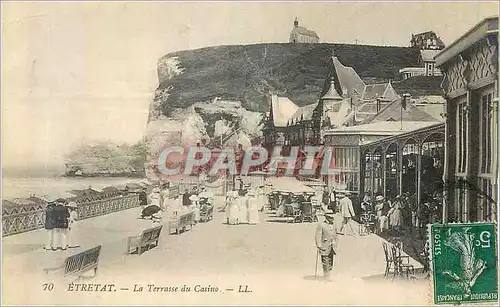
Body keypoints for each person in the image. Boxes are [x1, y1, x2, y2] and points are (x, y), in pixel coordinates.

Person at [315, 211, 338, 279]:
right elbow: (318, 235)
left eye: (333, 218)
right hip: (324, 245)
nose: (332, 219)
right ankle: (326, 276)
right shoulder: (321, 224)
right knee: (325, 261)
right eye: (331, 218)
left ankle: (328, 273)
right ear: (327, 217)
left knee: (330, 261)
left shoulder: (334, 224)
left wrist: (336, 241)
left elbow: (335, 234)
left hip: (332, 246)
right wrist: (319, 245)